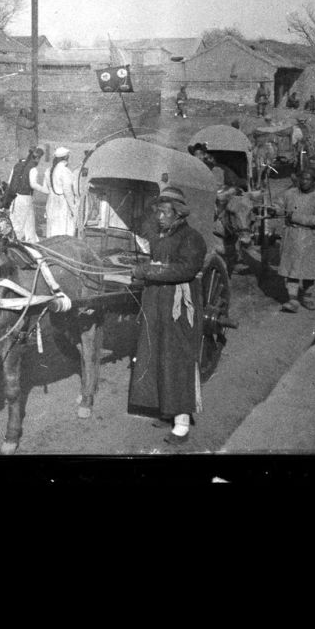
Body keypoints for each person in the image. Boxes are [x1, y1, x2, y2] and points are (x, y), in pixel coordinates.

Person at [126, 187, 209, 441]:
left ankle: (181, 423)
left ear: (178, 214)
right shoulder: (161, 237)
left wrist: (146, 271)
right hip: (156, 305)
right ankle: (166, 411)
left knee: (177, 359)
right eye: (158, 212)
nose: (159, 217)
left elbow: (184, 270)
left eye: (164, 212)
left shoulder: (192, 239)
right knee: (156, 355)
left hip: (178, 309)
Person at [278, 164, 315, 312]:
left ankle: (307, 296)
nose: (304, 182)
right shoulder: (290, 193)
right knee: (292, 269)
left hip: (311, 239)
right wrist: (273, 209)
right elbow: (279, 205)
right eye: (302, 178)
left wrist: (295, 217)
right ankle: (293, 300)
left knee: (309, 270)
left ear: (314, 182)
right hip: (292, 238)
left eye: (308, 179)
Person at [9, 147, 43, 241]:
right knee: (24, 223)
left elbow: (9, 182)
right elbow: (33, 184)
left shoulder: (17, 166)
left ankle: (28, 240)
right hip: (25, 198)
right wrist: (45, 190)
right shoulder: (33, 169)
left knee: (20, 221)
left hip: (15, 197)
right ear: (37, 158)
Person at [44, 146, 79, 238]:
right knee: (62, 229)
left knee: (52, 229)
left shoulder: (49, 170)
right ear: (66, 157)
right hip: (62, 204)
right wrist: (73, 208)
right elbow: (67, 192)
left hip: (51, 202)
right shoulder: (65, 171)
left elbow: (48, 188)